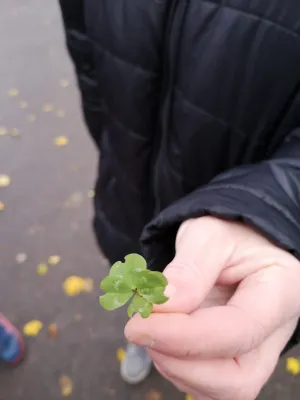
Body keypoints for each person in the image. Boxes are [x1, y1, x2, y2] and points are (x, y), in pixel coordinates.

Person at [58, 1, 300, 398]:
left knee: (200, 306)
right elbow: (86, 55)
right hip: (128, 189)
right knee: (133, 274)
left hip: (233, 207)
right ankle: (144, 331)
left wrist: (276, 211)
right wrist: (110, 142)